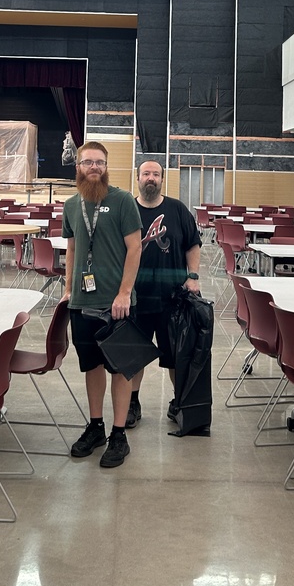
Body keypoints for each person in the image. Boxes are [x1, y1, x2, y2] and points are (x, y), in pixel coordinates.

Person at [62, 141, 142, 468]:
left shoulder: (122, 201)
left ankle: (118, 434)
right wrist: (68, 289)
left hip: (117, 303)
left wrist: (124, 293)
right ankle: (95, 426)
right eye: (87, 162)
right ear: (78, 167)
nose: (93, 167)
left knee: (120, 369)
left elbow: (135, 249)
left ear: (107, 167)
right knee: (91, 366)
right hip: (83, 301)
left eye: (99, 162)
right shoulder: (70, 205)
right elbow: (70, 250)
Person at [126, 159, 202, 429]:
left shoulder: (178, 210)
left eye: (155, 174)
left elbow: (193, 245)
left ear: (161, 180)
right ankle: (131, 402)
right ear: (137, 178)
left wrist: (192, 277)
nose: (151, 178)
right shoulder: (128, 209)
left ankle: (179, 401)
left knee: (176, 356)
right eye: (146, 173)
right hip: (135, 299)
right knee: (134, 356)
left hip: (173, 299)